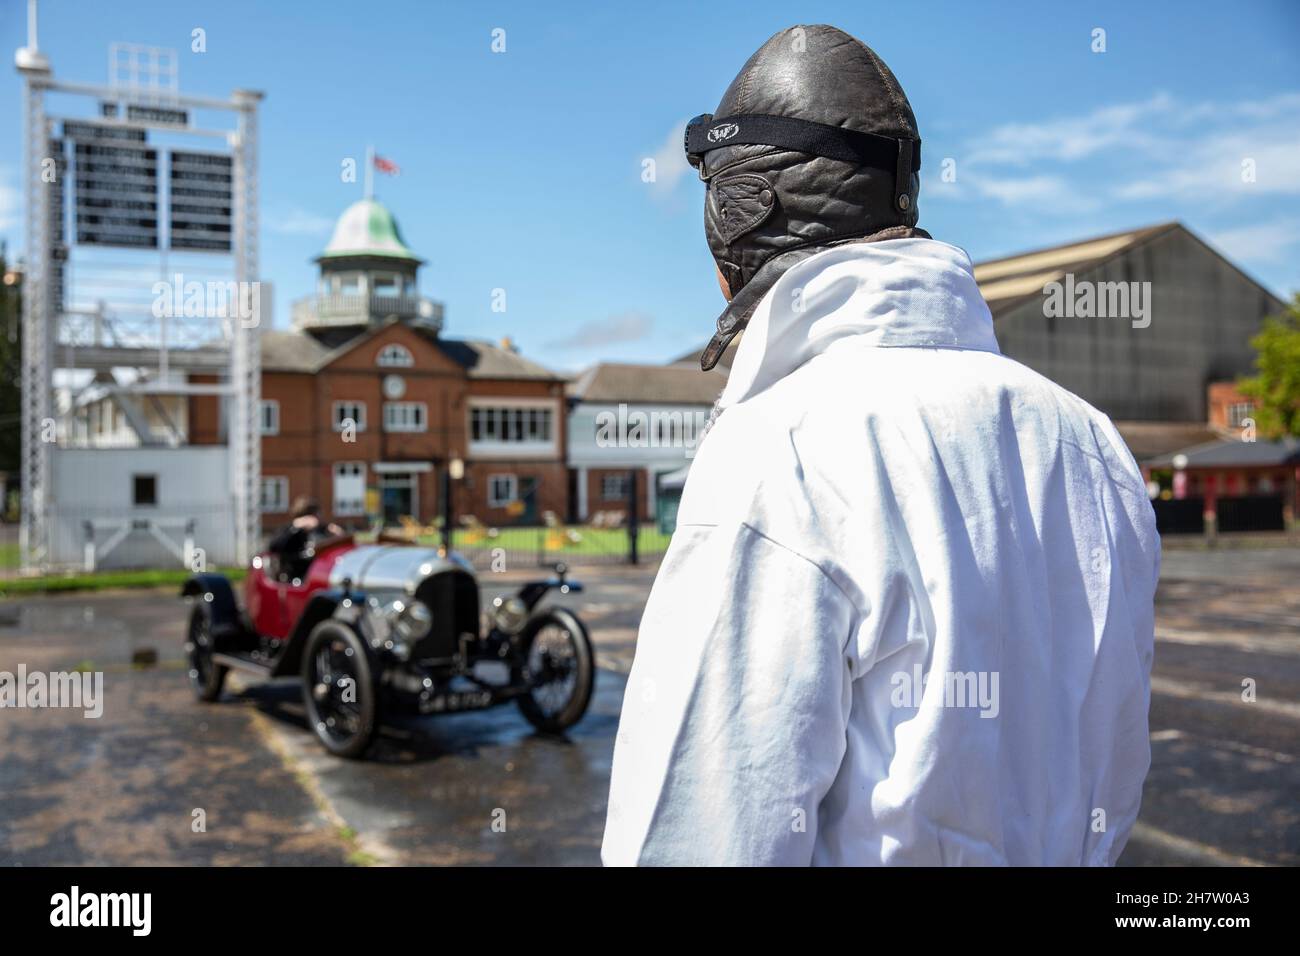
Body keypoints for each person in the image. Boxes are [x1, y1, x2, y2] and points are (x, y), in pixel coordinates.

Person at [601, 24, 1159, 866]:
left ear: (735, 226)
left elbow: (696, 834)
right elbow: (1113, 769)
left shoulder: (778, 449)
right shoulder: (1093, 445)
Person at [267, 497, 344, 579]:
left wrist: (336, 533)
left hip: (319, 574)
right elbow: (273, 547)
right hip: (293, 576)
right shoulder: (289, 529)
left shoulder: (322, 529)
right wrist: (296, 526)